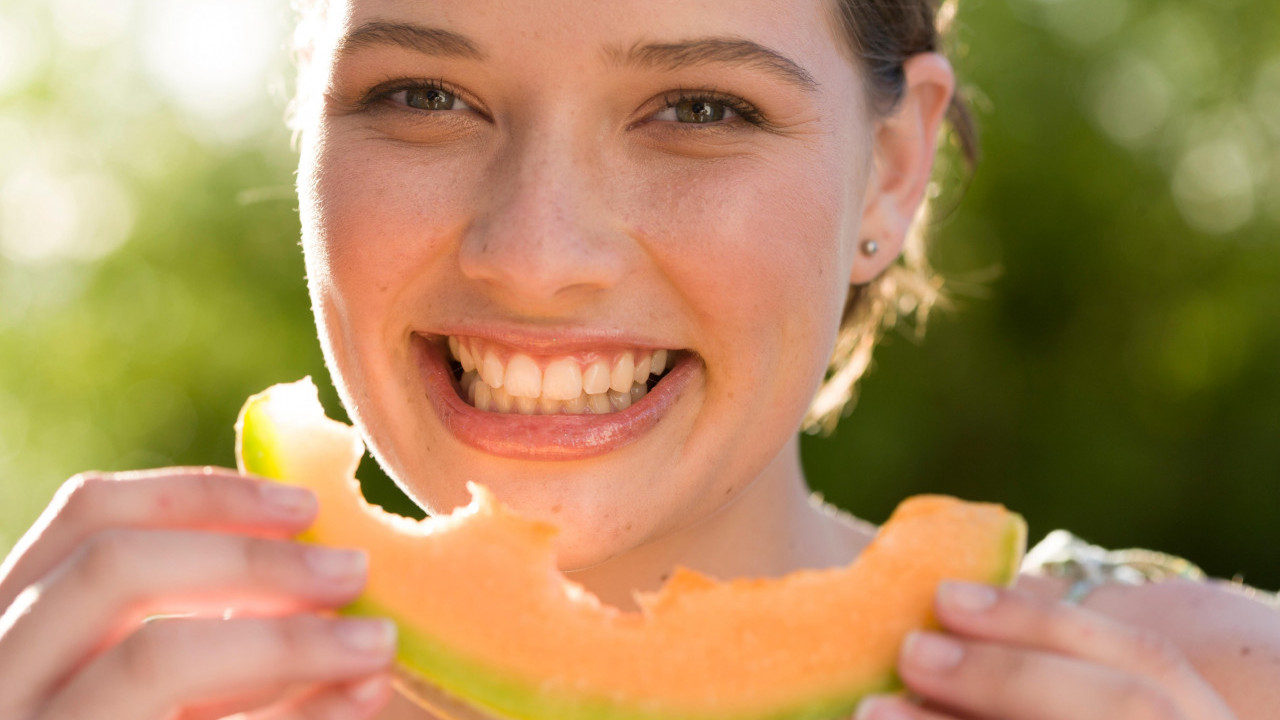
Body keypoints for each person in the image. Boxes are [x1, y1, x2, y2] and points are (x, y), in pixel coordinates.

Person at [1, 1, 1277, 719]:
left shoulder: (1222, 687)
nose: (535, 253)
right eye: (420, 96)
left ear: (891, 168)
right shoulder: (104, 696)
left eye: (701, 110)